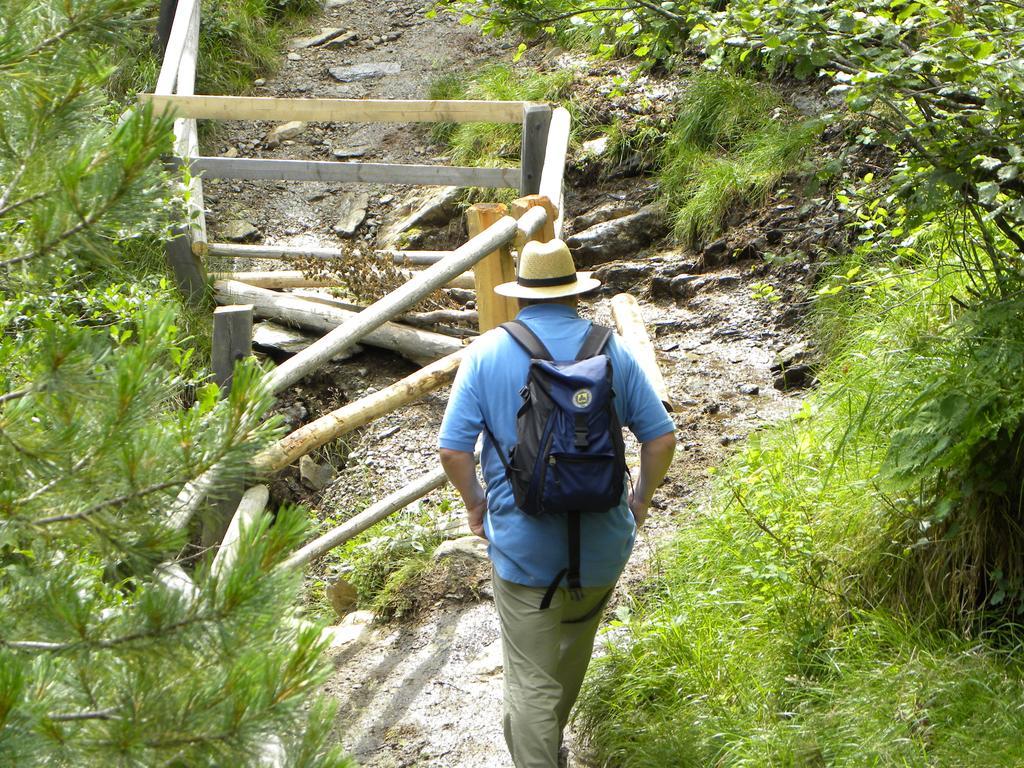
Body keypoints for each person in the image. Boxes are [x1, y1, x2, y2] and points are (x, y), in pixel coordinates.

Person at [438, 238, 677, 768]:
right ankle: (546, 746)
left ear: (521, 295)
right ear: (575, 293)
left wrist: (475, 504)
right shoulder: (610, 348)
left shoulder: (486, 353)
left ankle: (539, 754)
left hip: (524, 550)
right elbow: (660, 439)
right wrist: (638, 500)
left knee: (529, 682)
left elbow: (453, 451)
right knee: (567, 660)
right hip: (602, 544)